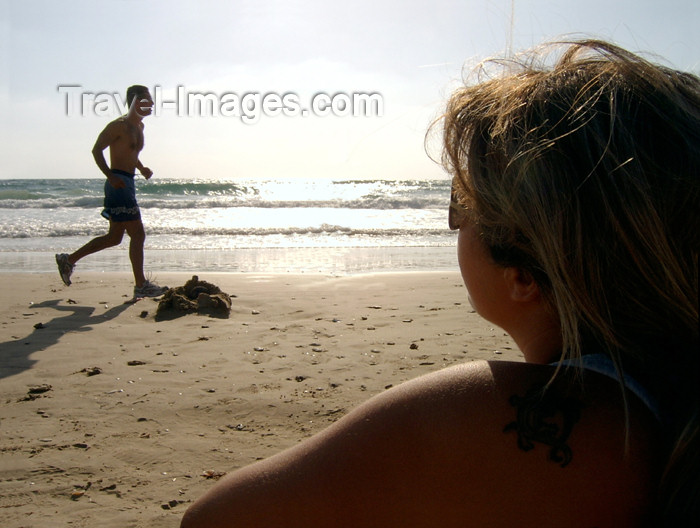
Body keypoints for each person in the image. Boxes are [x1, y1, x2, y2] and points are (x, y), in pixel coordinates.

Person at [180, 40, 699, 527]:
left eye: (461, 203)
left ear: (521, 272)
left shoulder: (489, 415)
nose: (454, 220)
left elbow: (215, 519)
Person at [55, 85, 167, 298]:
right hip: (118, 185)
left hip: (128, 183)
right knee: (138, 234)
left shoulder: (139, 127)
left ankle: (68, 260)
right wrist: (110, 175)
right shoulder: (119, 126)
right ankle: (141, 285)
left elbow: (130, 152)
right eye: (146, 100)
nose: (151, 104)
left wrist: (141, 167)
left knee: (114, 238)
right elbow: (97, 149)